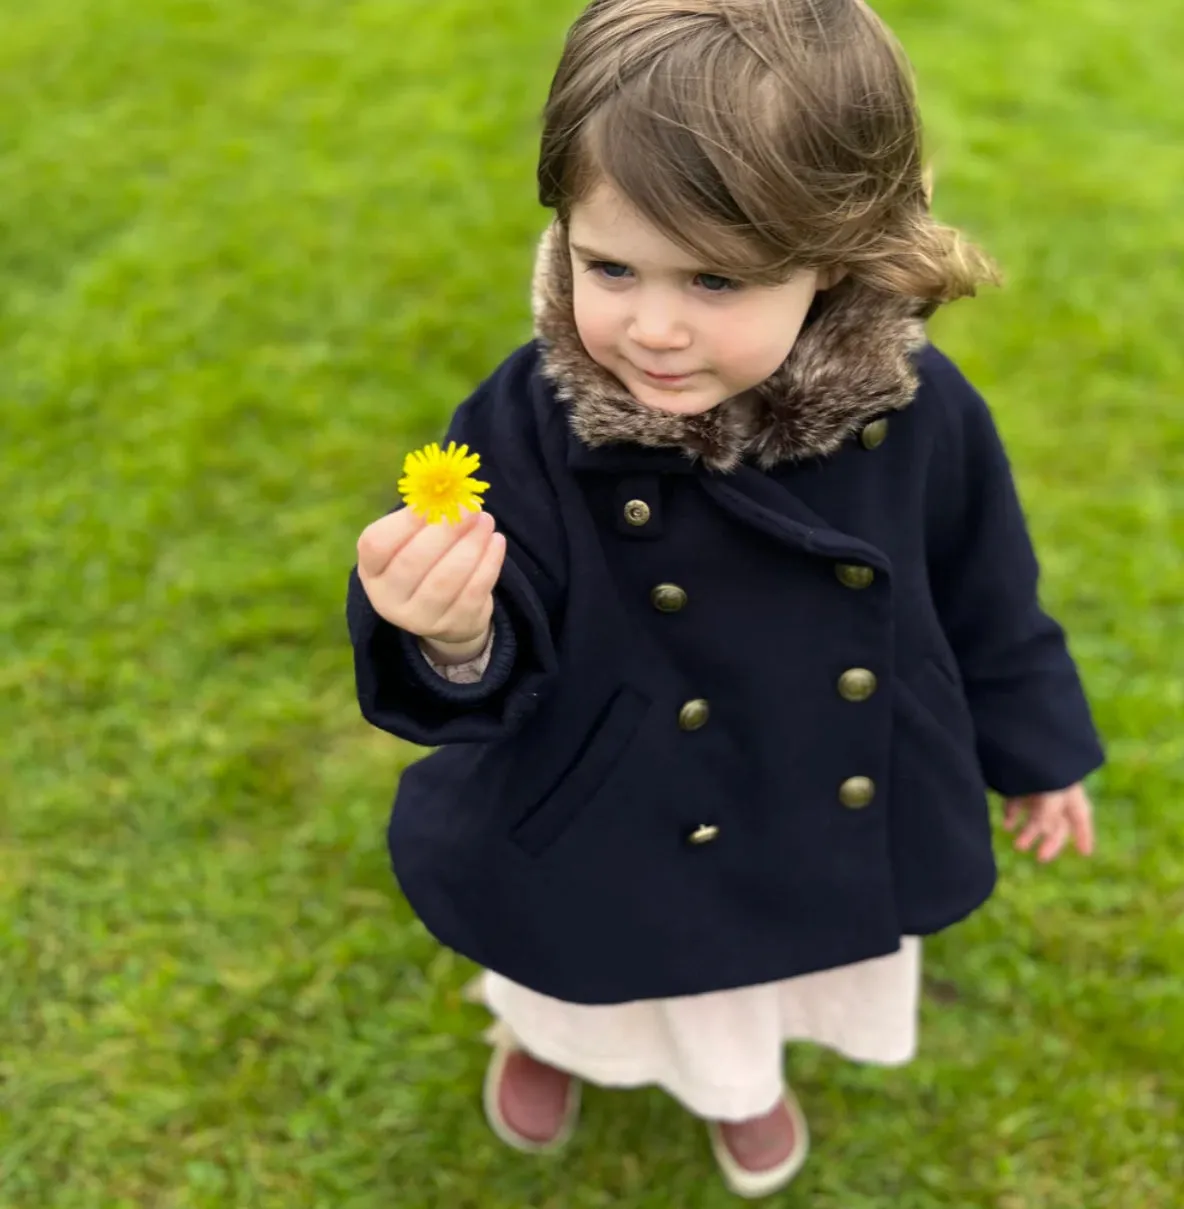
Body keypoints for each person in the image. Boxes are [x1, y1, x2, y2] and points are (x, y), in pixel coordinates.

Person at [347, 0, 1104, 1197]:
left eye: (713, 278)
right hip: (613, 798)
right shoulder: (527, 416)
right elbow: (506, 642)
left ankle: (741, 1082)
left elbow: (985, 589)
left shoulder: (919, 411)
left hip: (812, 790)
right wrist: (451, 631)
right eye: (609, 267)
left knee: (754, 970)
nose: (649, 327)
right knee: (571, 954)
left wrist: (1039, 749)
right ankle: (547, 1036)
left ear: (837, 253)